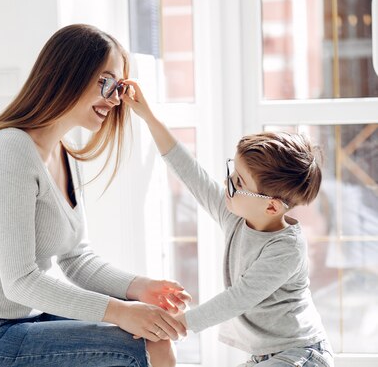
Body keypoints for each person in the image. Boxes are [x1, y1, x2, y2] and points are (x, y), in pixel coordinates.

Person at [0, 24, 190, 367]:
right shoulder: (10, 149)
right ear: (68, 74)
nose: (116, 99)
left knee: (154, 339)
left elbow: (76, 259)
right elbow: (19, 282)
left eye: (119, 88)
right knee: (147, 349)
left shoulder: (62, 153)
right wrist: (121, 312)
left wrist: (139, 287)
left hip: (22, 322)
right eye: (106, 83)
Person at [122, 82, 334, 367]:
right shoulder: (235, 216)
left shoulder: (286, 249)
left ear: (271, 206)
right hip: (265, 356)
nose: (227, 183)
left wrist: (176, 325)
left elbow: (238, 298)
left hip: (302, 355)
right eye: (232, 173)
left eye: (238, 182)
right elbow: (190, 172)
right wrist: (148, 115)